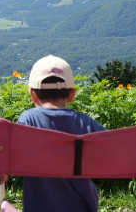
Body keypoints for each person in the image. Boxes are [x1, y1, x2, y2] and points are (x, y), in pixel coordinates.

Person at [16, 54, 106, 212]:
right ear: (72, 94)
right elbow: (112, 150)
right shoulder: (85, 122)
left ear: (33, 95)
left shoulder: (27, 120)